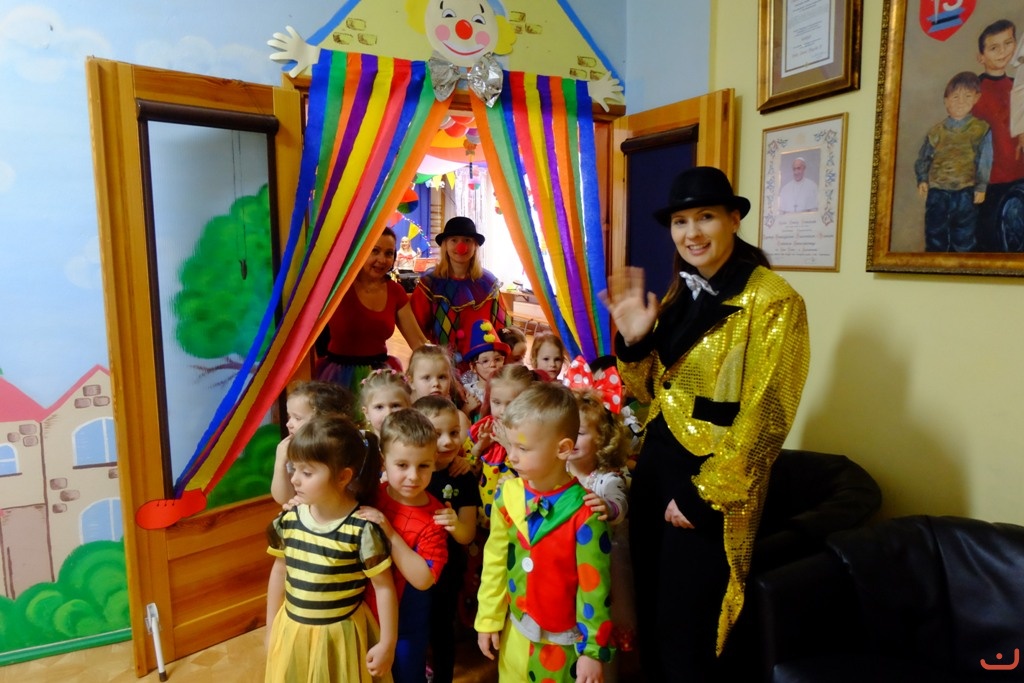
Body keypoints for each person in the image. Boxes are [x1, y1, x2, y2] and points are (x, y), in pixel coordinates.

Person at [598, 166, 810, 681]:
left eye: (706, 217)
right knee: (652, 611)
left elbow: (768, 415)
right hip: (657, 467)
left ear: (733, 219)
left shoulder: (773, 300)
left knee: (691, 628)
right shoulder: (680, 293)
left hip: (710, 483)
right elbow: (647, 391)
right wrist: (635, 341)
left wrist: (705, 496)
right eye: (680, 221)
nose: (691, 233)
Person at [475, 382, 615, 683]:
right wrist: (488, 618)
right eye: (511, 445)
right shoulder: (507, 496)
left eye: (523, 448)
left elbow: (594, 588)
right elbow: (495, 561)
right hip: (515, 635)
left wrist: (592, 651)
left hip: (562, 650)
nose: (512, 457)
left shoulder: (585, 513)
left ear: (562, 449)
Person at [264, 415, 397, 682]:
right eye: (294, 468)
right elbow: (279, 572)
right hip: (293, 632)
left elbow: (384, 587)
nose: (295, 480)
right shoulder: (289, 520)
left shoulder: (361, 530)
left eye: (307, 473)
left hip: (340, 638)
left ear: (343, 476)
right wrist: (270, 630)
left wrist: (387, 643)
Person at [357, 409, 449, 683]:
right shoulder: (370, 495)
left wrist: (389, 531)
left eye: (423, 466)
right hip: (363, 615)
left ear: (434, 461)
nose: (413, 476)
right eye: (402, 465)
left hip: (408, 627)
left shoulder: (435, 517)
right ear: (383, 461)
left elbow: (423, 579)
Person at [413, 395, 482, 683]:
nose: (448, 441)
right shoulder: (411, 474)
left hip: (447, 572)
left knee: (442, 629)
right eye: (436, 433)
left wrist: (454, 524)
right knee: (414, 628)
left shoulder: (462, 477)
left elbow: (467, 535)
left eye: (454, 432)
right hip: (410, 572)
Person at [316, 227, 427, 394]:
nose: (382, 260)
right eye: (375, 251)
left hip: (379, 378)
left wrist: (443, 372)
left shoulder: (396, 291)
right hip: (338, 378)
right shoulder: (337, 287)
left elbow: (418, 342)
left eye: (388, 253)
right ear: (361, 251)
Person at [410, 217, 508, 367]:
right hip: (443, 366)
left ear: (475, 246)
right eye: (454, 240)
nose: (461, 246)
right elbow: (415, 329)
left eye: (467, 240)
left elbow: (501, 327)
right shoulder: (430, 284)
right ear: (445, 245)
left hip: (483, 367)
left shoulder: (489, 284)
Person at [915, 71, 992, 252]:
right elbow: (924, 157)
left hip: (965, 191)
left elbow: (985, 161)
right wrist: (922, 179)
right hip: (938, 191)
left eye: (967, 96)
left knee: (964, 236)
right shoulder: (936, 131)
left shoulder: (981, 129)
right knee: (935, 234)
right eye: (955, 97)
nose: (961, 102)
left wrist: (981, 187)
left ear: (976, 98)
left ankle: (961, 267)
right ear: (946, 101)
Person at [974, 19, 1024, 251]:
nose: (1003, 51)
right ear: (981, 57)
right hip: (991, 180)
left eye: (1008, 43)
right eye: (994, 47)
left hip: (1020, 174)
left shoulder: (1019, 86)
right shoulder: (973, 90)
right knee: (991, 241)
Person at [270, 380, 357, 506]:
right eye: (289, 417)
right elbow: (283, 499)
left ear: (324, 420)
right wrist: (280, 463)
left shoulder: (341, 449)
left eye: (297, 418)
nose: (288, 424)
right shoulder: (295, 448)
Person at [459, 320, 510, 419]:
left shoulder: (508, 388)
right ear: (473, 367)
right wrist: (466, 409)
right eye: (485, 361)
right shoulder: (468, 392)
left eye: (497, 359)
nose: (493, 365)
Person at [360, 368, 413, 435]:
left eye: (395, 406)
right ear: (366, 413)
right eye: (379, 407)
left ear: (409, 407)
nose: (388, 413)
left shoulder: (419, 440)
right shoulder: (359, 441)